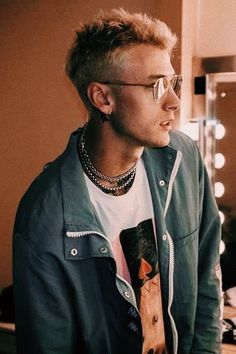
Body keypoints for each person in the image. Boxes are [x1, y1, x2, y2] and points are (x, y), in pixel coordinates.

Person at [13, 8, 222, 354]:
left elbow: (206, 284)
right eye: (157, 86)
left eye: (173, 83)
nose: (174, 101)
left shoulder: (181, 160)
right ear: (103, 98)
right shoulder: (44, 219)